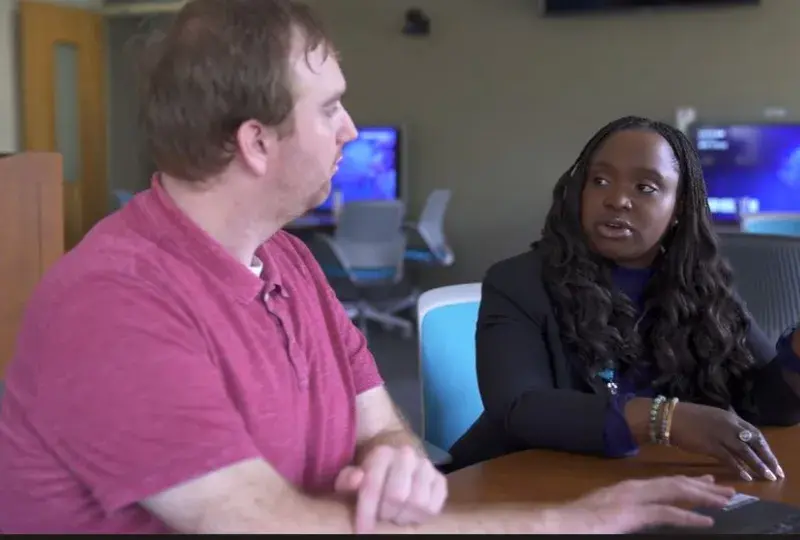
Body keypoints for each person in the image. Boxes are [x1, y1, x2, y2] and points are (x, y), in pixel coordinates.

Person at [0, 4, 734, 534]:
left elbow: (382, 428)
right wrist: (568, 522)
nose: (351, 129)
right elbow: (267, 525)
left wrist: (398, 459)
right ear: (257, 141)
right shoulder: (116, 303)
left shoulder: (289, 259)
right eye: (331, 109)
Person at [449, 116, 800, 479]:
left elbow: (768, 405)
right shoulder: (517, 282)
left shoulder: (703, 286)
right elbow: (519, 408)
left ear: (679, 207)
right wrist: (665, 419)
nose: (616, 200)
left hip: (647, 485)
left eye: (645, 187)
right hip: (523, 488)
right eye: (599, 181)